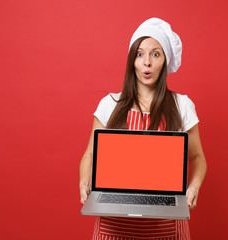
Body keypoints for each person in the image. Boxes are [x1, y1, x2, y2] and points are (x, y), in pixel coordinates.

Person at [80, 18, 207, 239]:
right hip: (113, 229)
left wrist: (193, 187)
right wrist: (84, 182)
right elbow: (91, 153)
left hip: (166, 229)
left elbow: (197, 157)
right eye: (139, 54)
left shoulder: (182, 105)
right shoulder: (110, 104)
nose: (146, 62)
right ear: (132, 61)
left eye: (155, 54)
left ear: (165, 61)